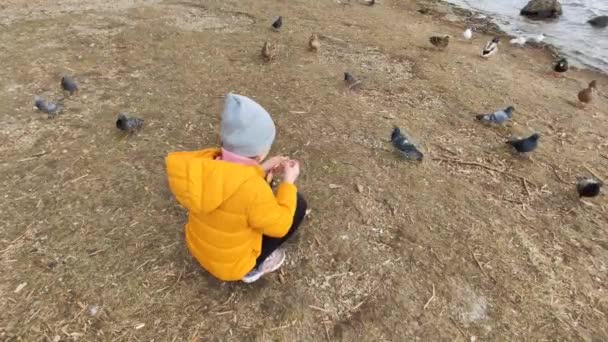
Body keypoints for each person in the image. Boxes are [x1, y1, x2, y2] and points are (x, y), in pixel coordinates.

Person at [165, 93, 307, 283]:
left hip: (199, 247)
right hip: (233, 265)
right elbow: (280, 226)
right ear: (260, 154)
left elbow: (232, 179)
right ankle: (253, 268)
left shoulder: (204, 165)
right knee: (298, 205)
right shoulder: (254, 191)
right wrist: (288, 183)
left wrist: (262, 169)